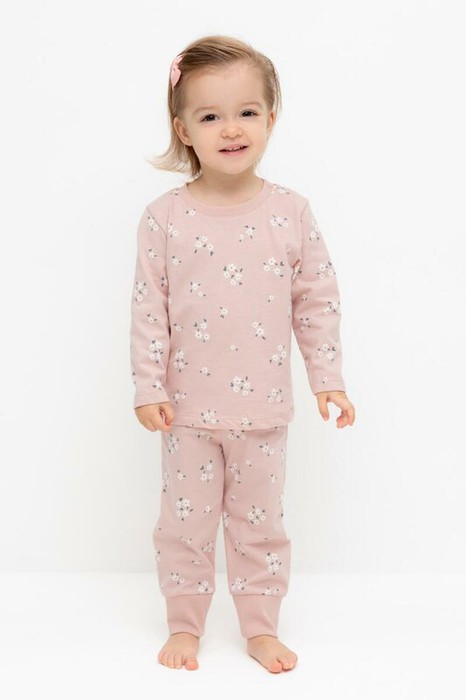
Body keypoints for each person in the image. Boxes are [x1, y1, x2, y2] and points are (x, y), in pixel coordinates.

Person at [129, 34, 356, 674]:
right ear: (184, 130)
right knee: (184, 525)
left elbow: (317, 301)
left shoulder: (291, 213)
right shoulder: (164, 218)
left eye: (247, 112)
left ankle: (261, 628)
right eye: (210, 116)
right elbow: (148, 311)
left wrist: (328, 379)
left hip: (263, 409)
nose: (231, 129)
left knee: (259, 526)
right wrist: (148, 386)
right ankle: (185, 624)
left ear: (271, 119)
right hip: (186, 413)